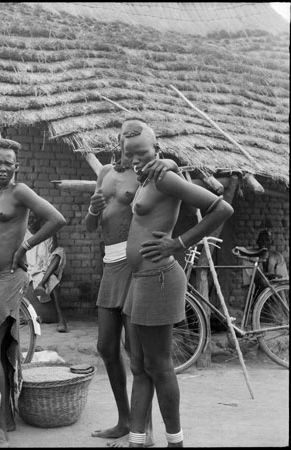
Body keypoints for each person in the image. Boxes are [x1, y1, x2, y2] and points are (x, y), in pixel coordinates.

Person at [121, 119, 233, 447]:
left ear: (156, 150)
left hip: (159, 277)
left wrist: (179, 243)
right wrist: (167, 162)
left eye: (143, 153)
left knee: (159, 365)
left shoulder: (164, 177)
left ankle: (175, 442)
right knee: (139, 365)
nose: (136, 159)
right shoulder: (144, 177)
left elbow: (220, 207)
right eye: (130, 154)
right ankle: (137, 439)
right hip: (140, 279)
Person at [85, 118, 182, 447]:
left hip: (134, 263)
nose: (129, 152)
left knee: (137, 353)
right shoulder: (104, 174)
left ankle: (147, 429)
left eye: (136, 148)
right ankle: (125, 420)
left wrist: (167, 161)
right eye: (123, 144)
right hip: (110, 265)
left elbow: (171, 170)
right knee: (106, 347)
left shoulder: (149, 172)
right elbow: (89, 226)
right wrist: (92, 210)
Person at [0, 138, 66, 447]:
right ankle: (6, 417)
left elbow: (56, 219)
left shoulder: (20, 192)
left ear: (16, 167)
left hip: (7, 280)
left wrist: (25, 245)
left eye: (8, 162)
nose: (3, 167)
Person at [25, 213, 68, 332]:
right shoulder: (23, 235)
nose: (30, 222)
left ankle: (61, 319)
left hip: (47, 268)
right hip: (31, 270)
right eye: (28, 219)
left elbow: (54, 253)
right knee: (52, 280)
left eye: (34, 218)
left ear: (40, 220)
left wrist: (53, 234)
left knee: (60, 252)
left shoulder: (48, 234)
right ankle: (42, 284)